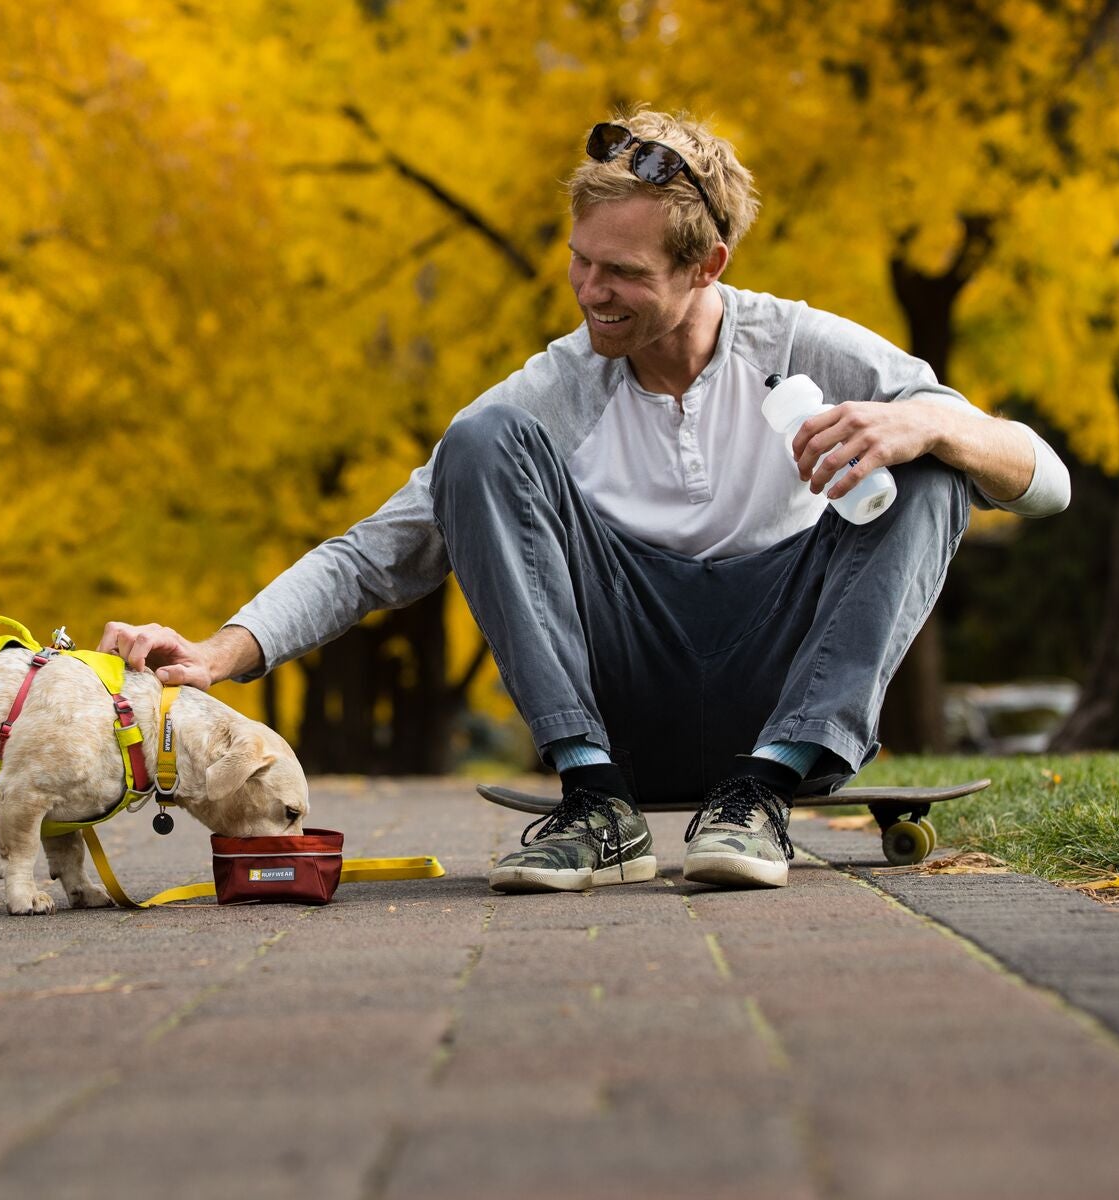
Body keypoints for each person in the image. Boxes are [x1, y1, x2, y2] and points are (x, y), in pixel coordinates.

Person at [100, 106, 1069, 894]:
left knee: (943, 453)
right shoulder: (562, 384)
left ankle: (765, 789)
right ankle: (596, 802)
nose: (589, 292)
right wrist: (220, 652)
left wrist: (930, 426)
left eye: (622, 274)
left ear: (706, 268)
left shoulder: (810, 346)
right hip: (622, 694)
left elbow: (1049, 482)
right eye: (580, 259)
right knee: (475, 442)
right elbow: (379, 548)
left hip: (786, 688)